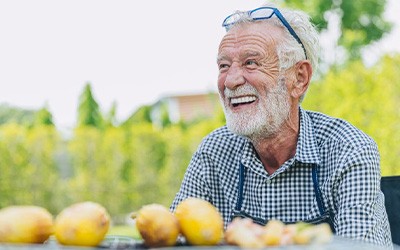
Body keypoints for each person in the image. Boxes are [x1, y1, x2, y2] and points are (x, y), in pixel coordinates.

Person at [170, 3, 392, 247]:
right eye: (224, 66)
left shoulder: (349, 150)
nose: (230, 81)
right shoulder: (214, 151)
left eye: (251, 63)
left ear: (299, 78)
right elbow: (173, 237)